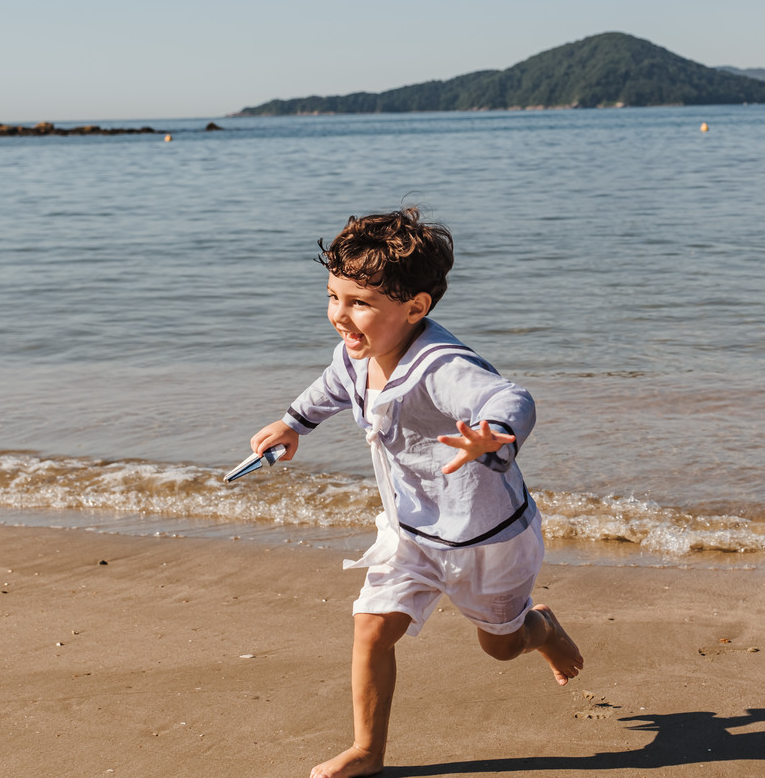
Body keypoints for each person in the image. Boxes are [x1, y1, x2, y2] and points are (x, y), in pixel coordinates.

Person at [249, 207, 583, 778]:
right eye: (333, 296)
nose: (339, 316)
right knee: (371, 628)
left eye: (359, 304)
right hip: (410, 532)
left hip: (485, 540)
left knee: (499, 647)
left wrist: (493, 434)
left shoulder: (441, 366)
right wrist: (293, 423)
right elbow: (334, 384)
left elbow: (511, 397)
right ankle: (367, 751)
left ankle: (541, 628)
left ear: (416, 307)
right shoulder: (356, 353)